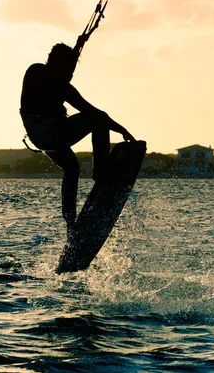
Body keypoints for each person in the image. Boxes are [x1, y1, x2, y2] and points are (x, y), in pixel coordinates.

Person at [20, 39, 136, 236]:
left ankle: (70, 226)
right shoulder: (42, 74)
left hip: (41, 139)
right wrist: (122, 130)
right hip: (52, 133)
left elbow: (62, 71)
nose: (70, 73)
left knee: (72, 169)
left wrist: (79, 45)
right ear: (58, 64)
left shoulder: (48, 77)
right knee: (97, 121)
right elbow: (96, 114)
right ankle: (101, 171)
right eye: (68, 68)